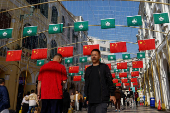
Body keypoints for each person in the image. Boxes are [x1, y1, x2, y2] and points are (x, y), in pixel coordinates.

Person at [84, 49, 116, 113]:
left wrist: (112, 94)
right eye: (92, 55)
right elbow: (87, 84)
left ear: (99, 56)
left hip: (102, 100)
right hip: (91, 101)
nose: (93, 56)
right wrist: (87, 97)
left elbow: (109, 81)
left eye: (95, 55)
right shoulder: (88, 69)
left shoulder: (104, 67)